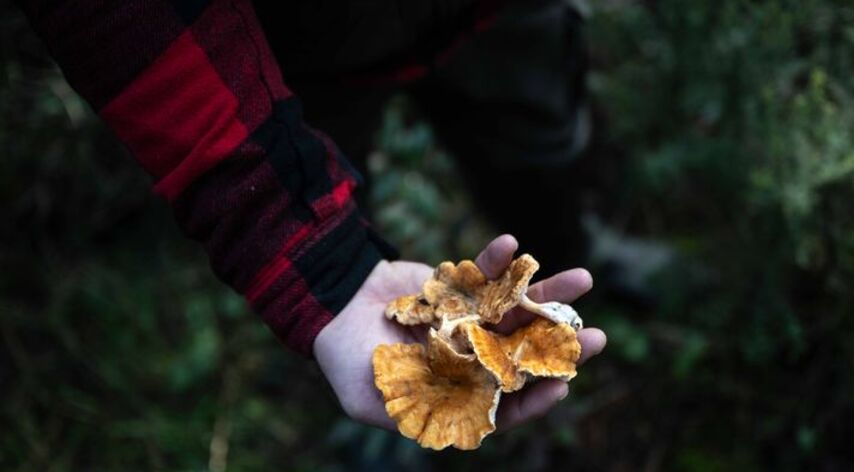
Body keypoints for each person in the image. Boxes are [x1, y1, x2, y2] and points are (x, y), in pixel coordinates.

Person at [14, 0, 607, 434]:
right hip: (299, 48)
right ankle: (373, 429)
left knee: (539, 142)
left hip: (497, 16)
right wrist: (327, 269)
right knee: (337, 189)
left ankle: (583, 248)